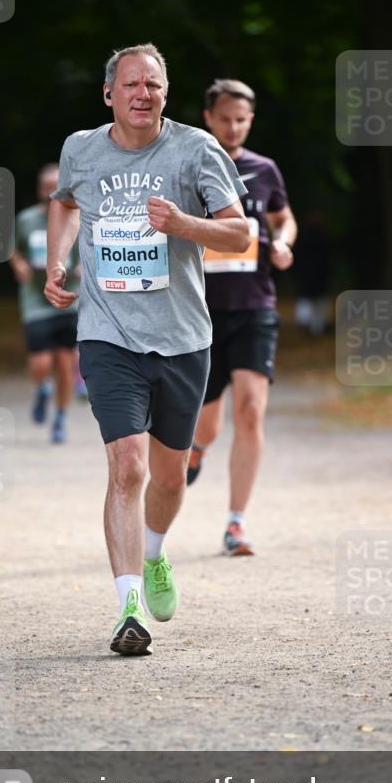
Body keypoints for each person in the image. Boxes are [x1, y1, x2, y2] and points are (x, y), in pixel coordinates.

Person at [44, 44, 248, 656]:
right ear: (109, 94)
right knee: (126, 466)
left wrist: (185, 224)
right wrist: (58, 260)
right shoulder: (81, 149)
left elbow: (240, 234)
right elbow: (65, 205)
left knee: (169, 475)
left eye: (153, 85)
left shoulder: (195, 149)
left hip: (184, 338)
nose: (142, 94)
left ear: (166, 93)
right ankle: (128, 606)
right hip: (108, 333)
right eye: (131, 84)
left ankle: (155, 551)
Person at [186, 79, 297, 556]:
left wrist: (286, 241)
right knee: (207, 425)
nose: (233, 127)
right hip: (200, 313)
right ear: (208, 118)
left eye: (242, 119)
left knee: (250, 411)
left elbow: (282, 217)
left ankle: (236, 523)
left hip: (255, 308)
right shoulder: (189, 165)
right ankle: (195, 450)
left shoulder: (264, 170)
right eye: (225, 118)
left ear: (250, 121)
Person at [9, 164, 80, 443]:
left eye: (56, 186)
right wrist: (19, 264)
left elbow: (91, 247)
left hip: (68, 300)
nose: (51, 192)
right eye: (46, 187)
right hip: (35, 301)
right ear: (40, 189)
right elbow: (10, 246)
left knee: (65, 364)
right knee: (40, 363)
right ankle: (42, 388)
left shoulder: (77, 217)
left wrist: (85, 268)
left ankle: (60, 417)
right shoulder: (26, 219)